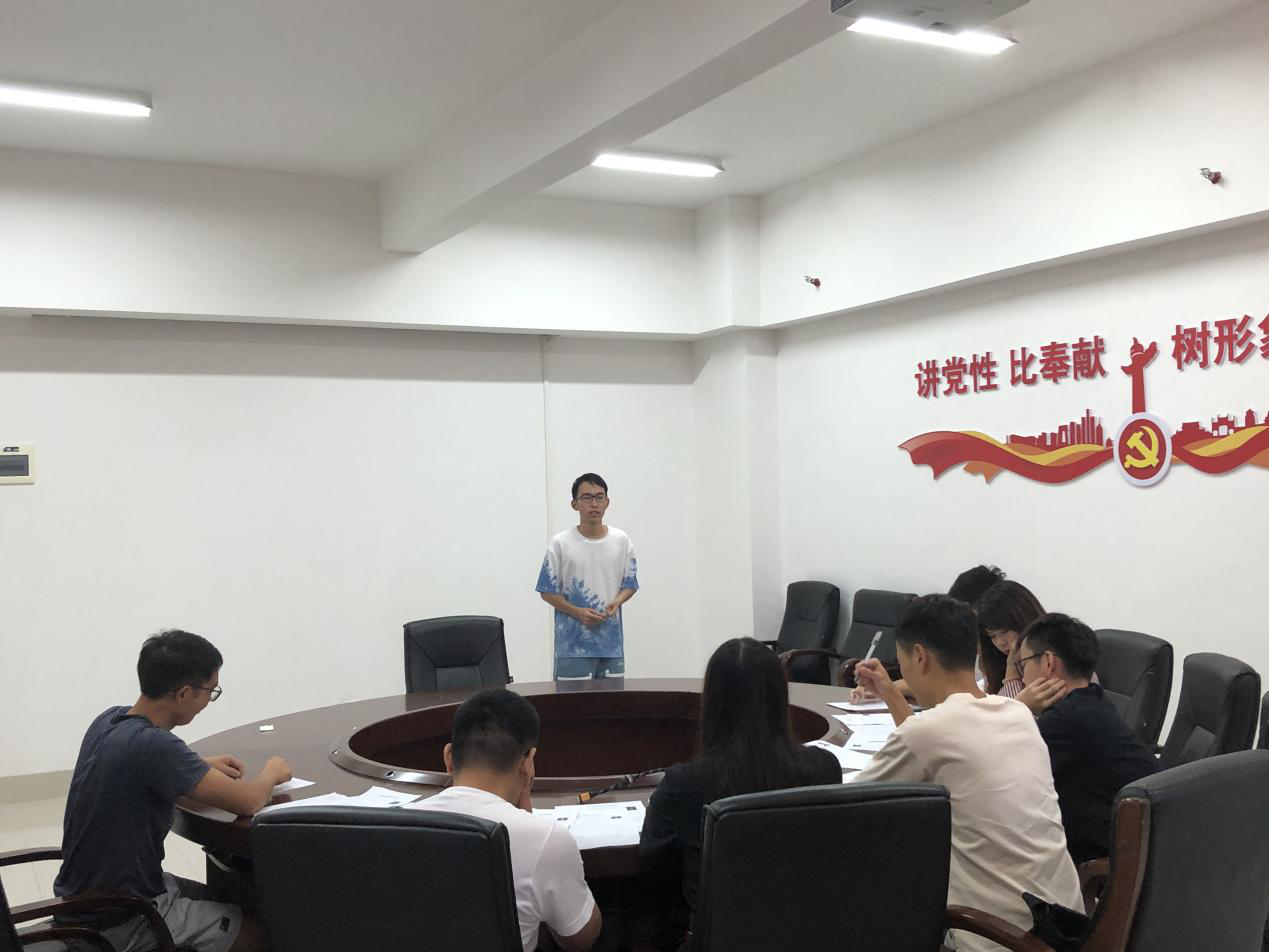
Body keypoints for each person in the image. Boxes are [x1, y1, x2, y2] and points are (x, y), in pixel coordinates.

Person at [850, 596, 1083, 952]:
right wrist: (889, 692)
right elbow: (937, 736)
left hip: (996, 937)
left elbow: (847, 807)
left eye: (902, 663)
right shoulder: (1017, 712)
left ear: (920, 657)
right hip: (1066, 925)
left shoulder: (929, 732)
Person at [54, 630, 292, 952]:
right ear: (184, 694)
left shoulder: (108, 721)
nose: (209, 701)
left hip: (86, 902)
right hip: (121, 918)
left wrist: (198, 765)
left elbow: (137, 767)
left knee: (237, 898)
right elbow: (248, 801)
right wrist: (272, 773)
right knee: (260, 935)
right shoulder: (156, 747)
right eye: (210, 691)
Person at [640, 638, 841, 947]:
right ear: (780, 697)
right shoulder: (824, 768)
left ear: (712, 702)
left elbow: (653, 859)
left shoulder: (685, 782)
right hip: (809, 939)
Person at [410, 687, 601, 952]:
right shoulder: (547, 840)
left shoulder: (394, 823)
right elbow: (579, 939)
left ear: (449, 758)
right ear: (528, 763)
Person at [1014, 613, 1158, 864]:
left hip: (1116, 852)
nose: (1023, 678)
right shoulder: (1092, 699)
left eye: (1023, 665)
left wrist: (1019, 708)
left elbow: (1002, 771)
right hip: (1151, 837)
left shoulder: (1063, 721)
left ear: (1048, 662)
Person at [536, 473, 638, 681]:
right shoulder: (561, 543)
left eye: (600, 497)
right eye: (587, 497)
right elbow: (546, 591)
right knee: (572, 702)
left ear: (607, 502)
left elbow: (630, 584)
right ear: (574, 504)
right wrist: (576, 611)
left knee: (612, 701)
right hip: (572, 647)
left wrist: (617, 601)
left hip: (611, 646)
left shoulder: (621, 540)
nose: (594, 504)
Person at [856, 564, 1006, 701]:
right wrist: (885, 688)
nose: (959, 622)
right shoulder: (965, 643)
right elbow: (938, 682)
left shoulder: (1001, 651)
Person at [975, 579, 1046, 699]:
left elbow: (1010, 710)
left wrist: (1012, 674)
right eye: (992, 636)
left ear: (1024, 618)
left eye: (1004, 631)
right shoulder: (995, 665)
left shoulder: (1052, 657)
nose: (1000, 642)